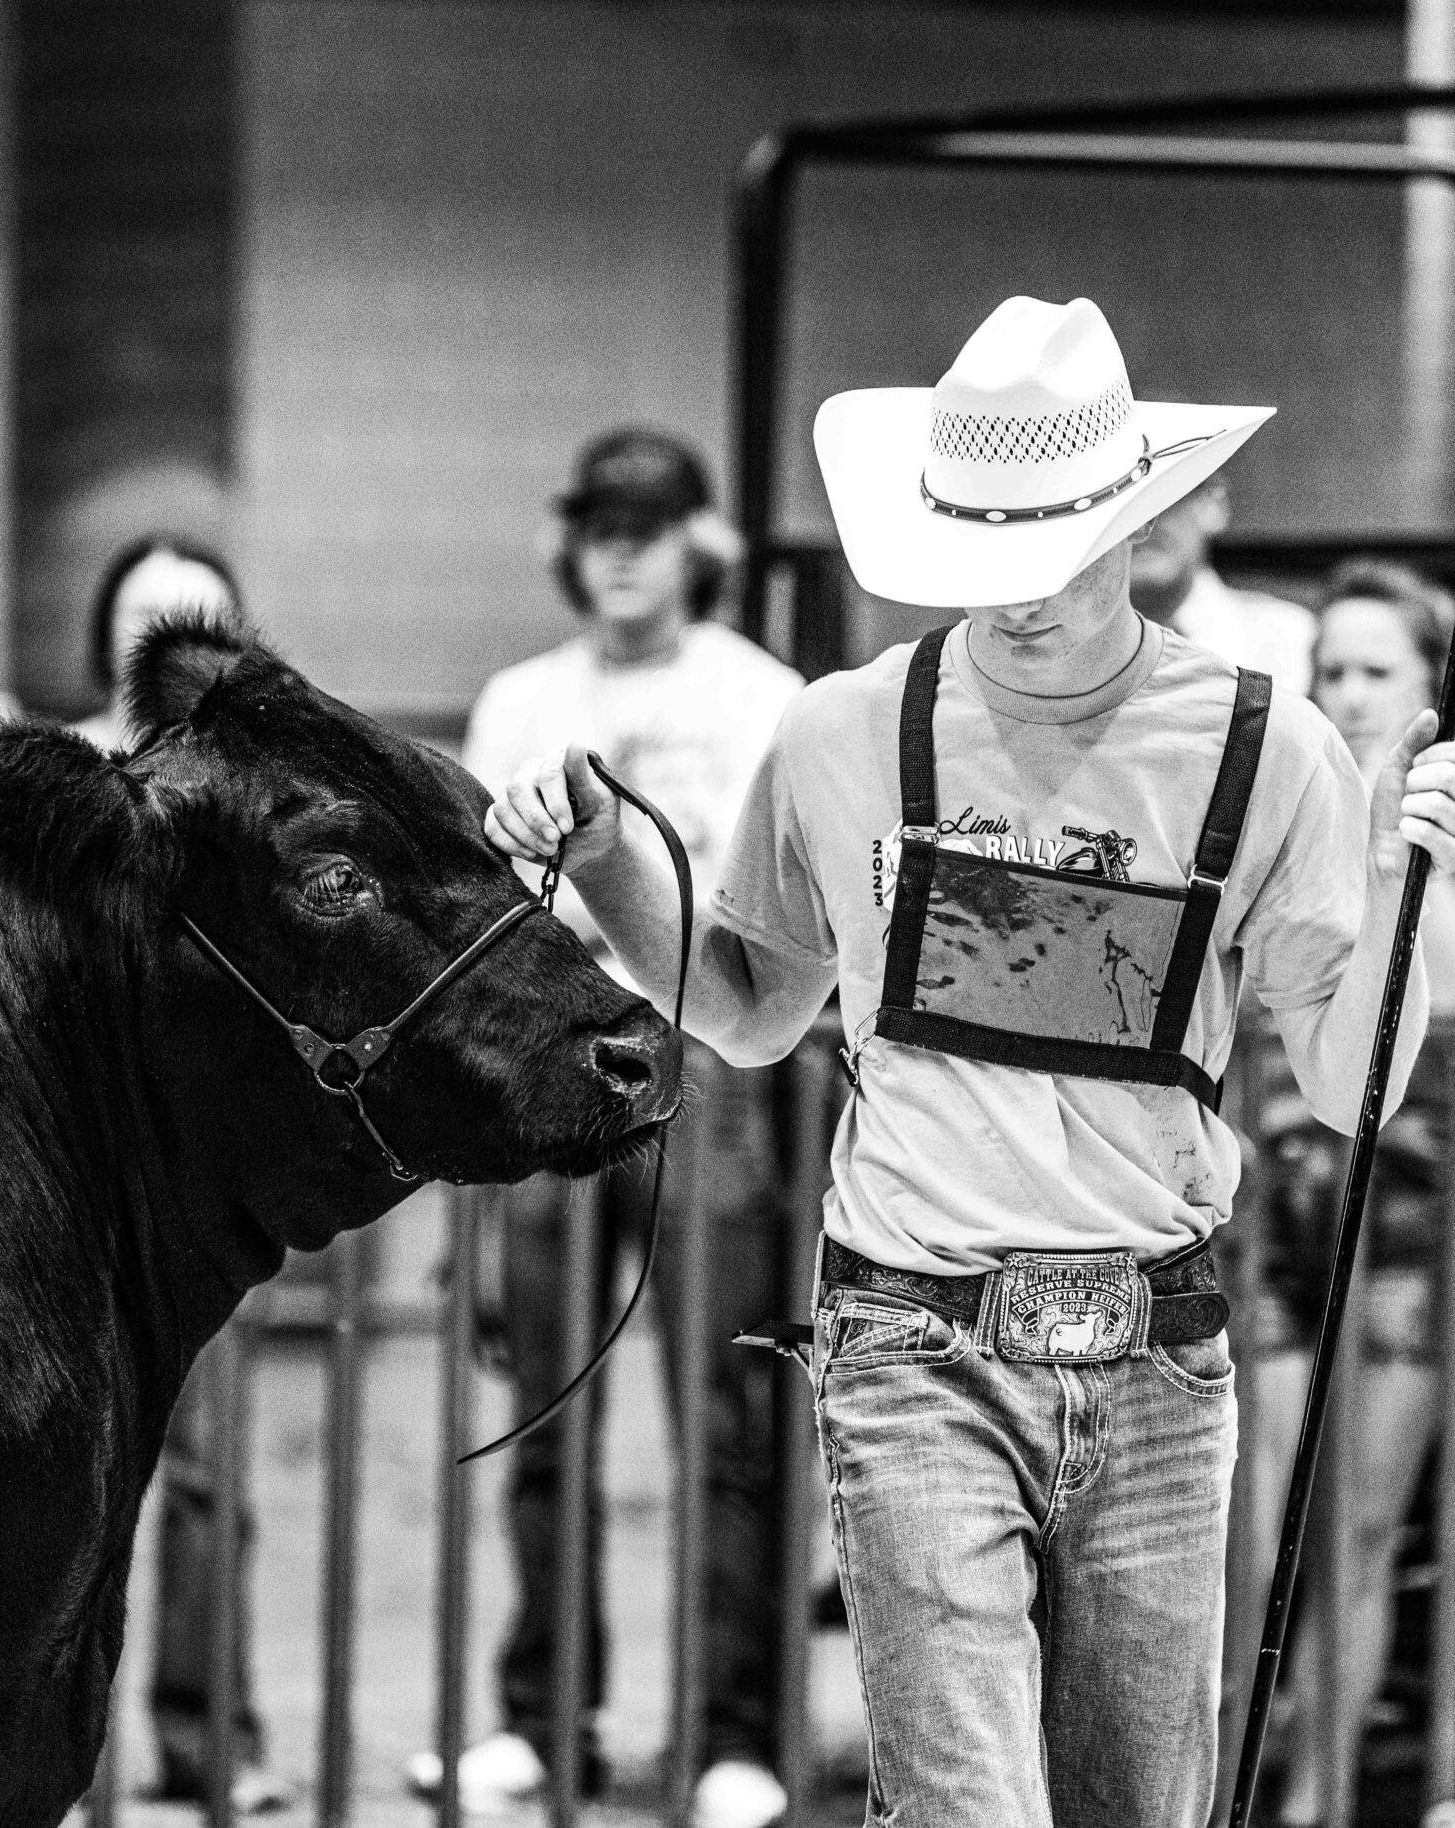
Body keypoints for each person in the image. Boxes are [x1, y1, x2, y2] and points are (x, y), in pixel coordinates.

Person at [483, 297, 1455, 1828]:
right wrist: (619, 859)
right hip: (911, 1342)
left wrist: (1409, 888)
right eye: (980, 552)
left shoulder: (1264, 750)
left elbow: (1352, 1083)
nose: (1015, 597)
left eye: (1050, 549)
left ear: (1136, 523)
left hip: (1157, 1352)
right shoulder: (839, 733)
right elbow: (750, 1006)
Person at [414, 428, 802, 1828]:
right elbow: (469, 912)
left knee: (728, 1414)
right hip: (543, 1072)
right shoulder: (519, 699)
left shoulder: (768, 698)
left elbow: (785, 923)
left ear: (698, 538)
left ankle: (732, 1734)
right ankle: (540, 1717)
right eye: (600, 522)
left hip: (718, 1066)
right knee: (544, 1407)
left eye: (647, 522)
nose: (622, 546)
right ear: (567, 540)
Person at [1217, 560, 1455, 1828]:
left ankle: (1316, 1801)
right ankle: (1221, 1799)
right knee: (1243, 1540)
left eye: (1377, 672)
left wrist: (1383, 855)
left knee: (1356, 1537)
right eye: (1332, 673)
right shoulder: (1281, 810)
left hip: (1411, 1208)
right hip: (1269, 1200)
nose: (1349, 693)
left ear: (1439, 691)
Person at [75, 532, 290, 1814]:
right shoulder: (60, 773)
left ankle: (213, 1743)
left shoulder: (260, 799)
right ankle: (51, 1741)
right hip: (56, 1186)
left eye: (192, 617)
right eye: (139, 617)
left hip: (197, 1194)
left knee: (208, 1479)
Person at [1128, 471, 1318, 697]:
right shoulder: (1076, 653)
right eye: (1121, 512)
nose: (1141, 525)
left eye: (1162, 497)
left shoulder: (1292, 640)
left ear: (1213, 501)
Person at [78, 535, 244, 754]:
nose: (169, 636)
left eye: (200, 619)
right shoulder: (48, 771)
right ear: (106, 632)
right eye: (149, 613)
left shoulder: (261, 781)